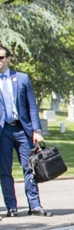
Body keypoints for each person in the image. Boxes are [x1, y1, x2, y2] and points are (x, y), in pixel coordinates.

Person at [0, 44, 52, 217]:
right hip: (3, 132)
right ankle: (11, 207)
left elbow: (32, 107)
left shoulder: (22, 79)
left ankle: (35, 205)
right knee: (4, 170)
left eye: (1, 58)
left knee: (29, 167)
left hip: (23, 130)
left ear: (8, 59)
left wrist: (36, 130)